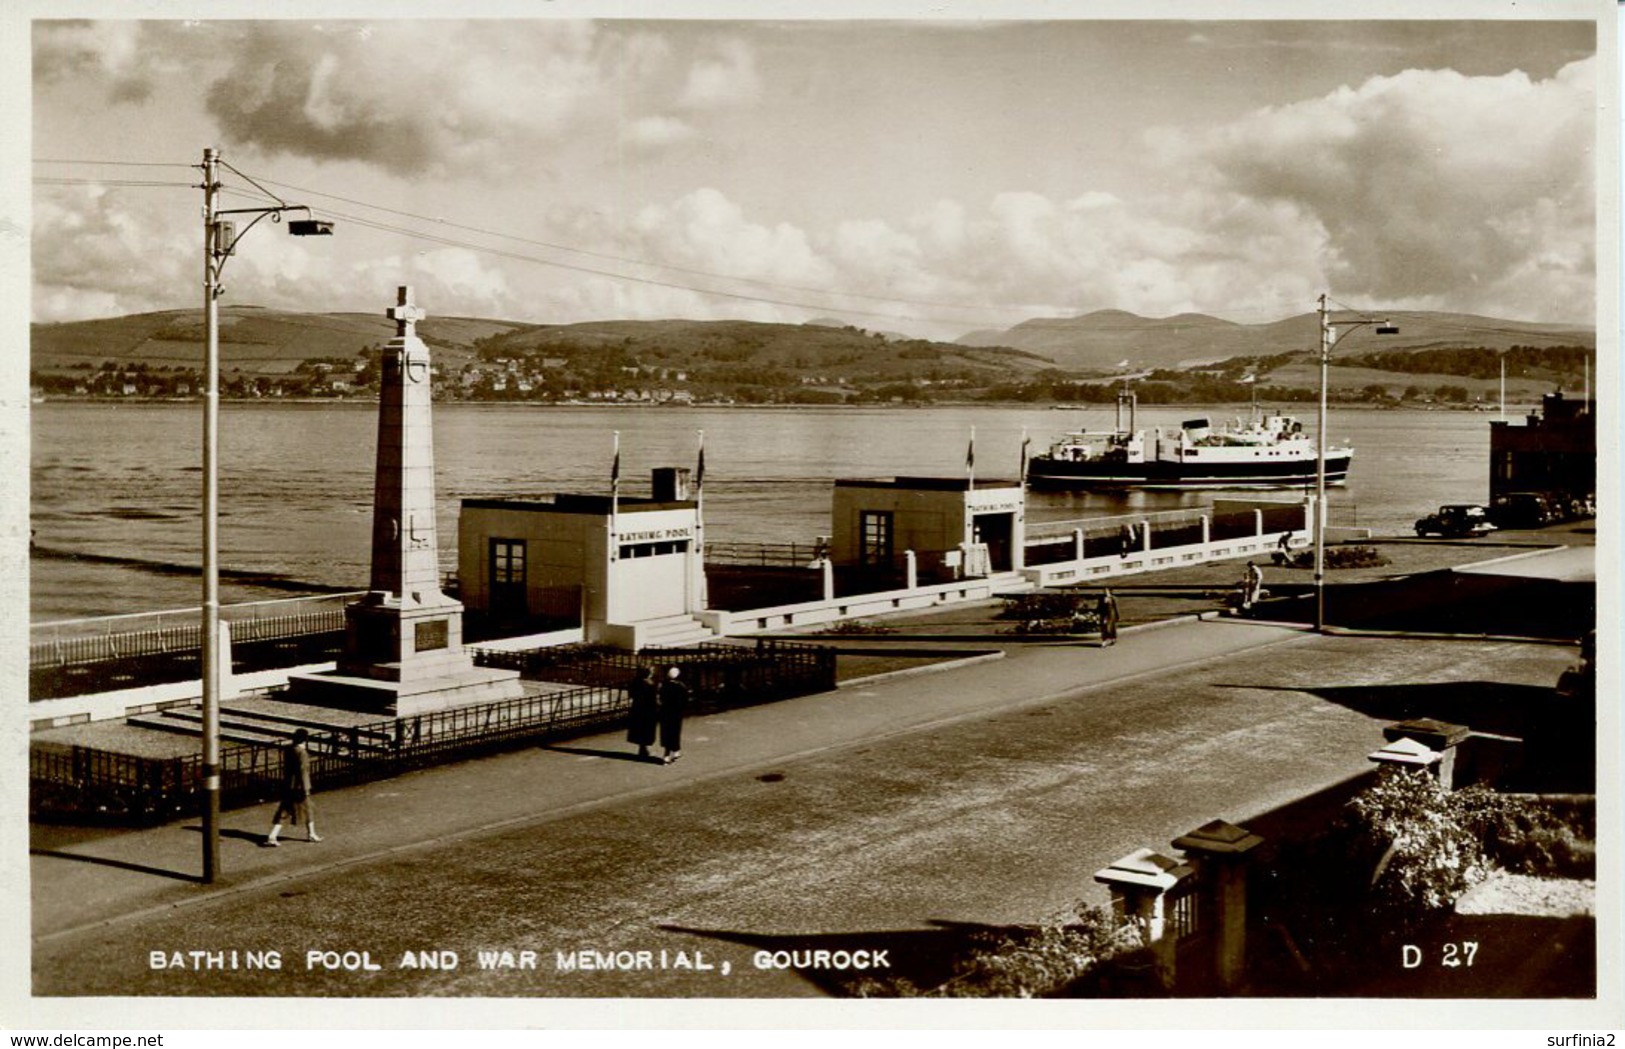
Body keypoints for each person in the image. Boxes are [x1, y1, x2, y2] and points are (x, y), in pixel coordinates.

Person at [264, 729, 319, 846]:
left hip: (289, 784)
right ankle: (311, 834)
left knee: (285, 810)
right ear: (305, 739)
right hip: (299, 787)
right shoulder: (302, 753)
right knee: (308, 809)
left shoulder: (289, 750)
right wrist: (306, 788)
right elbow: (303, 771)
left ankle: (272, 836)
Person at [625, 666, 660, 761]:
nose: (653, 673)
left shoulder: (636, 681)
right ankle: (643, 750)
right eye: (652, 671)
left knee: (640, 729)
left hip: (638, 709)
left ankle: (642, 749)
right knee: (646, 730)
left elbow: (631, 693)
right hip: (648, 709)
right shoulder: (650, 683)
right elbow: (653, 697)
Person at [657, 665, 690, 765]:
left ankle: (672, 752)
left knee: (666, 732)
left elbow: (659, 698)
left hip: (665, 712)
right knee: (675, 732)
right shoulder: (680, 686)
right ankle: (670, 753)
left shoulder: (663, 685)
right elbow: (685, 701)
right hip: (676, 713)